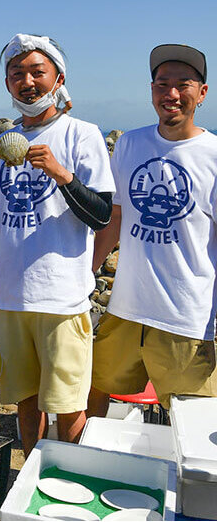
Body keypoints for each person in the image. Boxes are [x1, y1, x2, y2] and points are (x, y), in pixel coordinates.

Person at [0, 34, 115, 457]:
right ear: (8, 85)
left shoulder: (82, 135)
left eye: (37, 72)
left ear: (58, 78)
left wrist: (60, 173)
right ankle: (33, 473)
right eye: (17, 74)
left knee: (68, 405)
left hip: (62, 299)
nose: (27, 81)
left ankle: (65, 480)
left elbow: (102, 214)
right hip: (11, 298)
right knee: (25, 401)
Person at [87, 44, 217, 415]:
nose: (171, 94)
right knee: (95, 388)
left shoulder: (213, 155)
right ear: (151, 90)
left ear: (202, 93)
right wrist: (86, 274)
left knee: (191, 416)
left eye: (183, 84)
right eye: (162, 84)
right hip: (126, 308)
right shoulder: (129, 144)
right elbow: (115, 218)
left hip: (186, 316)